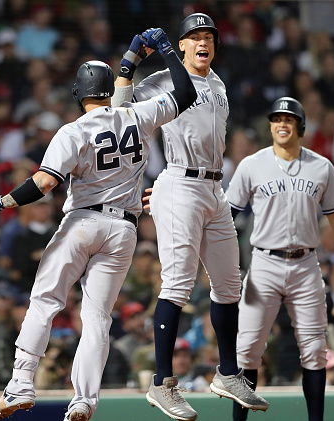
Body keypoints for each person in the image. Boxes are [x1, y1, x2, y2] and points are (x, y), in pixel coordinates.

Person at [0, 27, 197, 421]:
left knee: (45, 301)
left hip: (83, 221)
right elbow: (186, 94)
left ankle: (20, 386)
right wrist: (165, 52)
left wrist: (2, 201)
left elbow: (44, 183)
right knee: (97, 319)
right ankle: (83, 401)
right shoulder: (137, 114)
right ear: (109, 90)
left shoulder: (73, 131)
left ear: (78, 93)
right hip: (125, 229)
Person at [112, 14, 268, 420]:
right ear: (180, 45)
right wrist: (129, 62)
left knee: (231, 285)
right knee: (178, 283)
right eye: (194, 37)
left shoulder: (217, 82)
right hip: (181, 180)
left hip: (214, 187)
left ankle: (228, 373)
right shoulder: (166, 78)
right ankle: (162, 383)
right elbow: (121, 110)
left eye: (208, 37)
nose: (203, 42)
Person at [226, 96, 334, 421]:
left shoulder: (321, 166)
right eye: (277, 119)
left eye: (288, 120)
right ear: (270, 126)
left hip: (305, 265)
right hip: (264, 264)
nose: (282, 124)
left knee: (316, 352)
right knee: (247, 351)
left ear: (300, 126)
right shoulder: (251, 164)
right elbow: (226, 217)